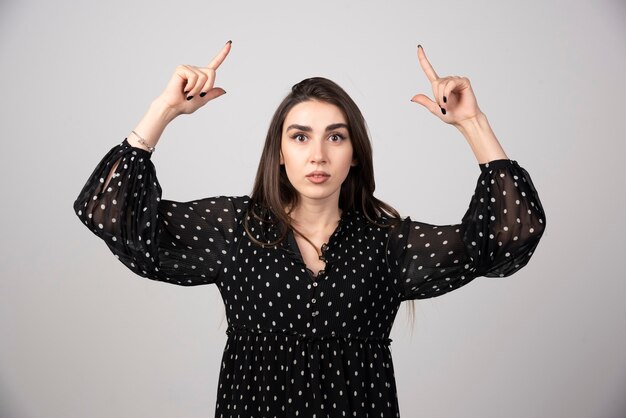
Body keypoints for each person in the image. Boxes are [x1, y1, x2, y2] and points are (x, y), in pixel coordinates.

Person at [73, 40, 546, 417]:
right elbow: (112, 212)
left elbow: (509, 235)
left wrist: (472, 122)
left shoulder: (390, 243)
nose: (317, 154)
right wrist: (164, 109)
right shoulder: (236, 229)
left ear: (354, 152)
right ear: (280, 152)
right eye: (300, 137)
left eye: (335, 137)